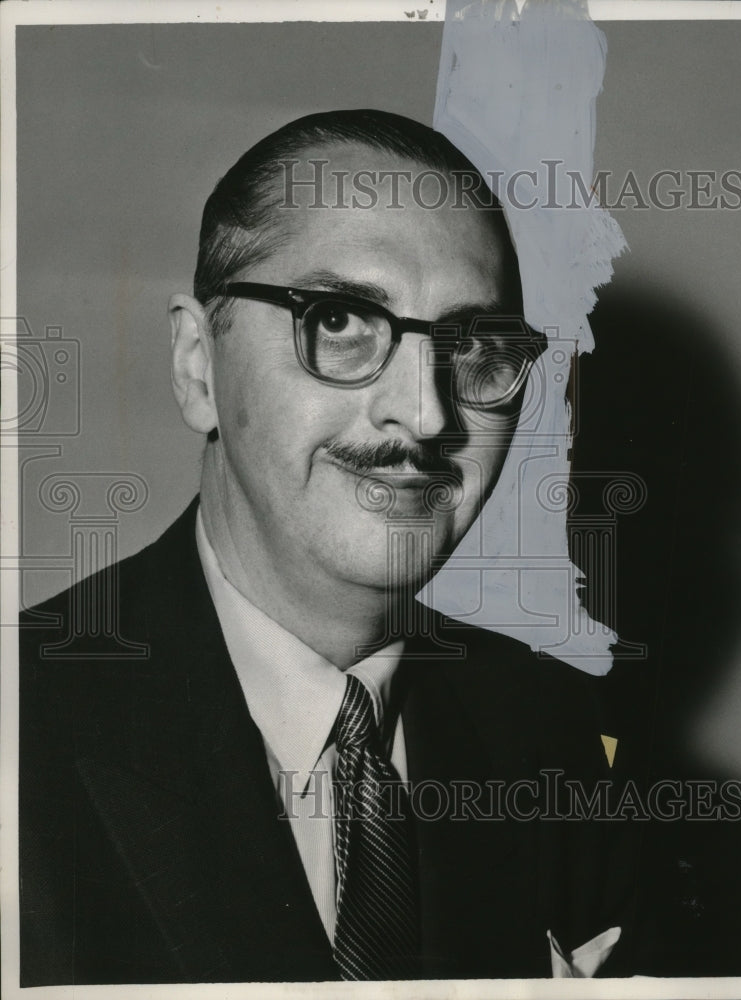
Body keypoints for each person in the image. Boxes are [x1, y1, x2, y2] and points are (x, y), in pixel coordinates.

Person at [19, 109, 639, 985]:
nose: (424, 414)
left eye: (471, 348)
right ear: (198, 364)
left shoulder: (564, 738)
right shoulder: (25, 728)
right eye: (342, 322)